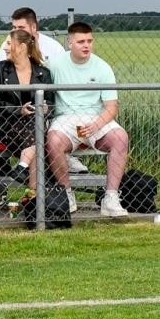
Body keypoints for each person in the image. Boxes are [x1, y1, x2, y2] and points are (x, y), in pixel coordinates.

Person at [44, 21, 131, 217]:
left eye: (90, 41)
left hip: (95, 117)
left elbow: (111, 107)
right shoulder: (55, 65)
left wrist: (97, 125)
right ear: (69, 43)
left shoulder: (102, 67)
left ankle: (110, 198)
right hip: (65, 117)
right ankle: (66, 195)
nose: (86, 45)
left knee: (120, 137)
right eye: (81, 41)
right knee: (53, 140)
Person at [0, 26, 54, 189]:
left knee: (35, 130)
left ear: (22, 47)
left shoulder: (43, 73)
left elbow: (52, 103)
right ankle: (35, 199)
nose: (4, 47)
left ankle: (23, 168)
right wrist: (18, 109)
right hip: (7, 124)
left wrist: (46, 110)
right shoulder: (0, 70)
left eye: (8, 43)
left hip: (35, 125)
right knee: (38, 137)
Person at [0, 6, 68, 64]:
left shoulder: (54, 48)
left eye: (21, 27)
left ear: (33, 27)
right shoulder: (7, 46)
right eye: (14, 27)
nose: (16, 31)